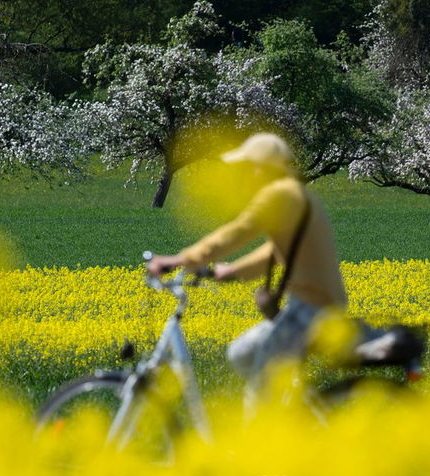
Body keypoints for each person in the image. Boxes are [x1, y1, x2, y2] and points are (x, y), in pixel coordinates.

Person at [145, 132, 347, 401]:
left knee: (263, 379)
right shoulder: (297, 194)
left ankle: (260, 438)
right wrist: (234, 271)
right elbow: (275, 251)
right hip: (313, 305)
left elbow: (237, 232)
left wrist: (180, 259)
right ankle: (296, 417)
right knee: (242, 353)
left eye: (247, 167)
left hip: (312, 310)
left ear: (260, 168)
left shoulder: (279, 195)